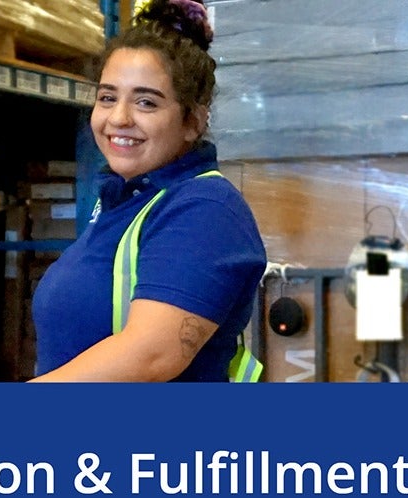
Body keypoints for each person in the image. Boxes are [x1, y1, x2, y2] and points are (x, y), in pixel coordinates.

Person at [30, 0, 267, 382]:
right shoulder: (125, 203)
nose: (119, 118)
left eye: (145, 102)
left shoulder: (205, 209)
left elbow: (152, 355)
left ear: (193, 121)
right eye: (107, 97)